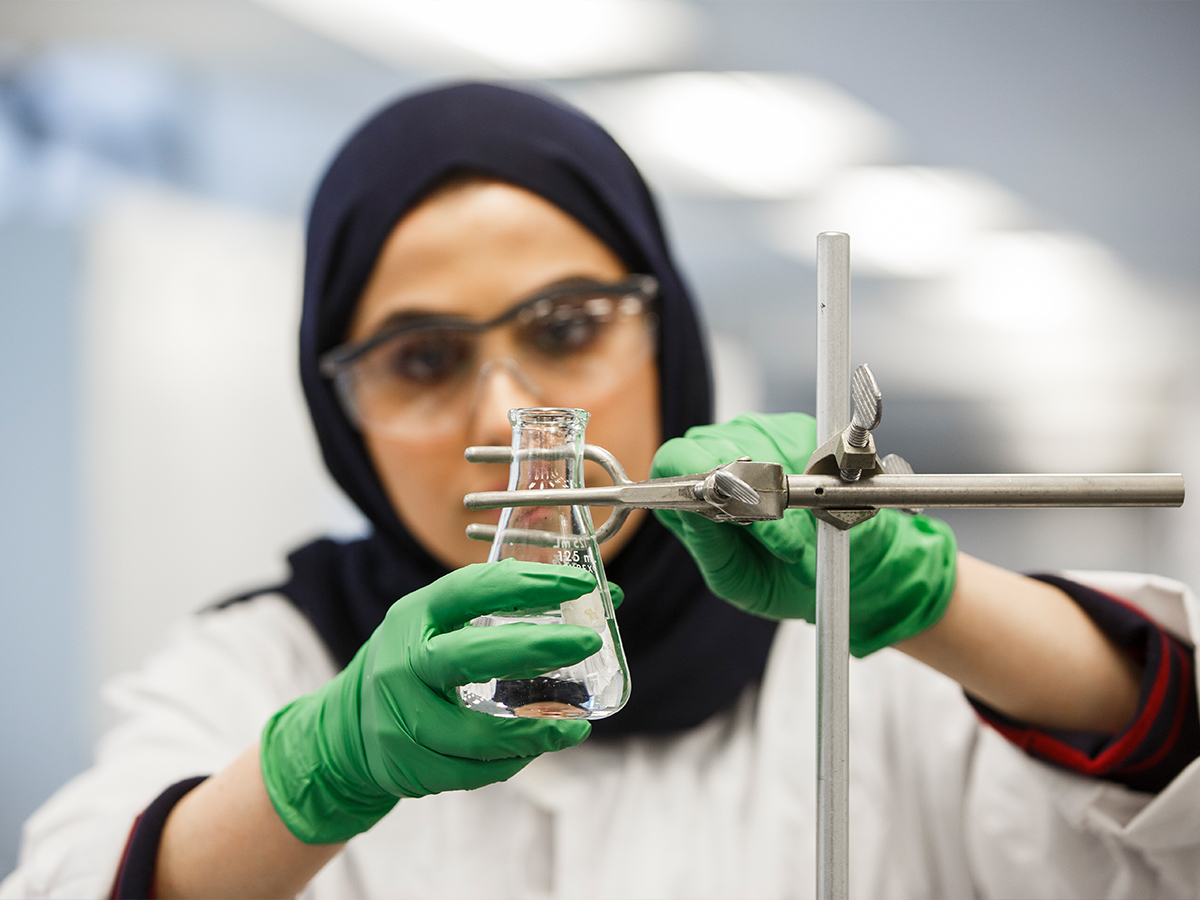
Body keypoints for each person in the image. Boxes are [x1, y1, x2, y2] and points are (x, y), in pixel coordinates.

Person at [4, 83, 1198, 900]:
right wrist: (317, 771)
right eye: (421, 359)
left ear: (663, 333)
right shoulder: (260, 673)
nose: (505, 414)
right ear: (341, 409)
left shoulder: (854, 672)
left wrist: (930, 603)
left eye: (569, 327)